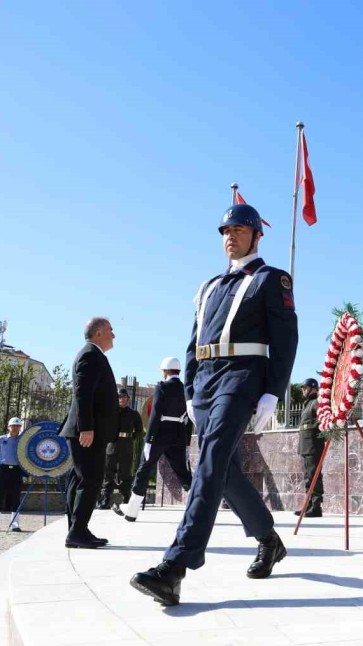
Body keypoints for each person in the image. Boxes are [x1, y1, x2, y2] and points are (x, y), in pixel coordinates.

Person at [131, 203, 298, 606]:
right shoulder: (208, 286)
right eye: (226, 231)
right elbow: (194, 342)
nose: (230, 237)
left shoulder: (270, 279)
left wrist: (273, 391)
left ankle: (175, 567)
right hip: (205, 382)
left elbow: (286, 339)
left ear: (257, 235)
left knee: (211, 459)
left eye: (239, 230)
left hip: (242, 376)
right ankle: (268, 539)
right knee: (219, 468)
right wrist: (190, 390)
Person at [59, 317, 118, 549]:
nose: (114, 334)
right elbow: (83, 395)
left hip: (89, 430)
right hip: (86, 432)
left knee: (80, 479)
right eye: (110, 330)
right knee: (90, 479)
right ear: (98, 333)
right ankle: (77, 531)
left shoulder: (93, 355)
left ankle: (77, 529)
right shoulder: (90, 355)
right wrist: (86, 428)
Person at [123, 356, 194, 522]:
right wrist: (187, 442)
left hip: (160, 434)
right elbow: (190, 417)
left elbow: (155, 414)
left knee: (144, 469)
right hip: (178, 434)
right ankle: (197, 508)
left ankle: (132, 510)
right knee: (183, 473)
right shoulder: (186, 389)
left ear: (165, 371)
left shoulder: (162, 387)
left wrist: (149, 440)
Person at [103, 388, 143, 514]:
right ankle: (104, 501)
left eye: (124, 397)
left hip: (126, 445)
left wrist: (131, 438)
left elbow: (139, 430)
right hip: (112, 445)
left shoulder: (134, 414)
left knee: (125, 474)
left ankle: (126, 501)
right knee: (108, 474)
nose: (122, 399)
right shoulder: (111, 412)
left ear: (128, 399)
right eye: (120, 397)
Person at [0, 418, 27, 532]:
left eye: (18, 426)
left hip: (17, 470)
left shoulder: (23, 440)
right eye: (13, 425)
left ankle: (15, 525)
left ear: (20, 427)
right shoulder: (1, 439)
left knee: (15, 495)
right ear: (8, 427)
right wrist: (0, 460)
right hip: (2, 469)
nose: (15, 428)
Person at [294, 378, 326, 518]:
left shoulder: (317, 402)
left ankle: (316, 507)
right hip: (306, 446)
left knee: (314, 476)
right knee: (308, 476)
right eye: (303, 388)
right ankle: (309, 504)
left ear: (313, 388)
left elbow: (323, 420)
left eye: (305, 388)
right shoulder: (308, 403)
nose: (303, 390)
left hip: (313, 445)